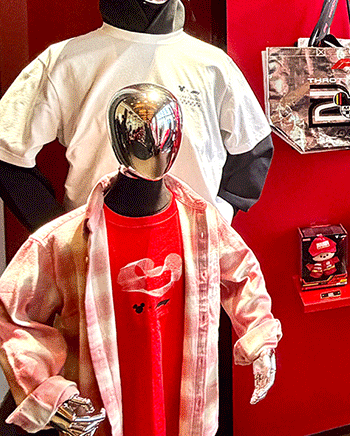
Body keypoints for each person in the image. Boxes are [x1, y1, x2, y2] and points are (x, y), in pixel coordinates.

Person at [0, 84, 280, 436]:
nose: (155, 144)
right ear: (119, 140)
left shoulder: (203, 225)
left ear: (178, 139)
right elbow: (12, 315)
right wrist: (48, 393)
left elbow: (243, 275)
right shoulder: (62, 241)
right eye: (139, 132)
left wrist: (259, 337)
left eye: (166, 132)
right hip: (104, 410)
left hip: (186, 408)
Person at [0, 0, 273, 230]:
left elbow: (254, 149)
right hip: (98, 248)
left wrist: (220, 215)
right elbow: (6, 153)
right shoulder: (66, 62)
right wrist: (59, 233)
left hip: (194, 246)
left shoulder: (213, 66)